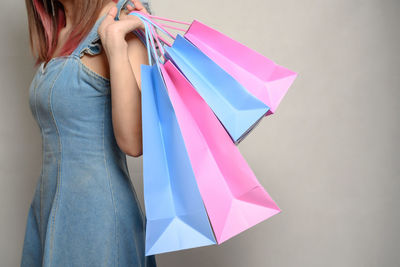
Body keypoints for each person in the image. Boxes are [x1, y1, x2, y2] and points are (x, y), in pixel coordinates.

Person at [20, 0, 157, 266]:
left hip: (98, 222)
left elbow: (134, 142)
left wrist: (115, 43)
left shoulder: (119, 18)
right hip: (48, 211)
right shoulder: (60, 29)